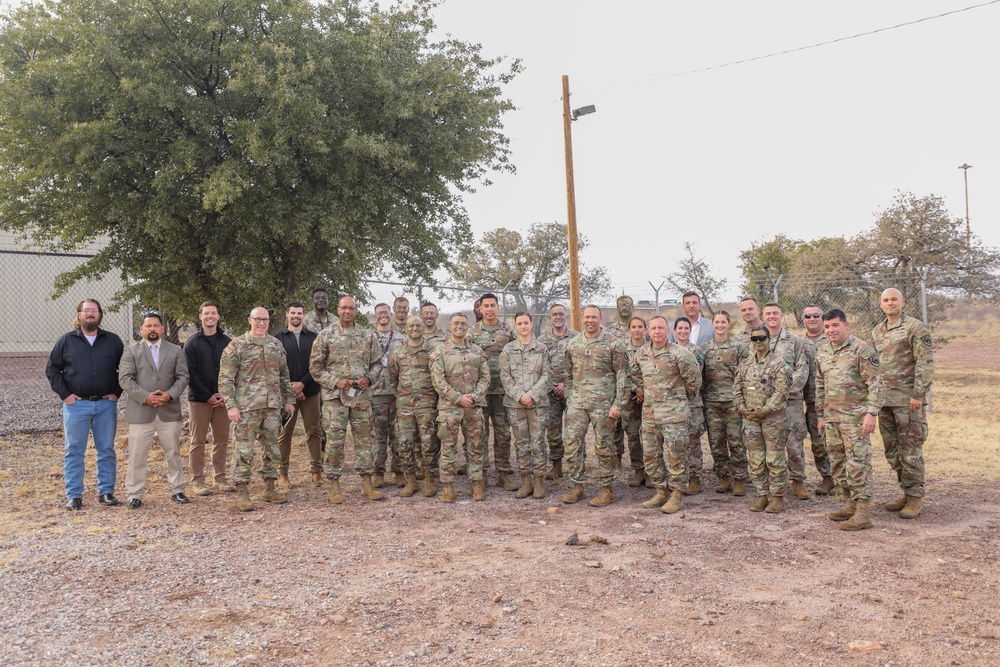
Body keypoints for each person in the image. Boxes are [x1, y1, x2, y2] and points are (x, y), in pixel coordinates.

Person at [46, 299, 125, 510]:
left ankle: (106, 492)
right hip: (76, 406)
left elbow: (126, 370)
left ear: (100, 314)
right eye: (86, 310)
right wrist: (66, 395)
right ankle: (74, 495)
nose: (90, 314)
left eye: (94, 310)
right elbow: (52, 370)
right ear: (79, 314)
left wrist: (117, 392)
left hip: (105, 406)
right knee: (74, 450)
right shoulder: (66, 341)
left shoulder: (113, 341)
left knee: (106, 449)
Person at [218, 307, 296, 512]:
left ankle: (269, 487)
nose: (262, 323)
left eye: (265, 320)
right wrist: (231, 406)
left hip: (271, 407)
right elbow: (225, 379)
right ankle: (243, 491)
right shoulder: (237, 346)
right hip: (246, 408)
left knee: (272, 449)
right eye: (258, 319)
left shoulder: (275, 345)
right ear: (249, 320)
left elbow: (284, 375)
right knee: (244, 451)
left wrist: (288, 400)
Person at [309, 296, 384, 503]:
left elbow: (378, 364)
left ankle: (366, 484)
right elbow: (315, 368)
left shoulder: (367, 336)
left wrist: (368, 378)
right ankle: (334, 485)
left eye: (351, 308)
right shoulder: (325, 335)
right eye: (344, 308)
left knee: (364, 440)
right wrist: (335, 381)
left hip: (361, 397)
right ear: (338, 310)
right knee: (334, 442)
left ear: (356, 311)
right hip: (336, 399)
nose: (347, 311)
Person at [815, 309, 884, 531]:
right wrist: (821, 415)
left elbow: (876, 383)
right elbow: (820, 385)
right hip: (832, 418)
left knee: (858, 464)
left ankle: (863, 512)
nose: (831, 330)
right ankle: (850, 504)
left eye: (835, 325)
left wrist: (872, 413)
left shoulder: (862, 350)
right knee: (838, 463)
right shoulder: (823, 352)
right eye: (827, 327)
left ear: (847, 325)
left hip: (856, 419)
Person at [872, 287, 934, 519]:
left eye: (894, 299)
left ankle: (916, 497)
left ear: (903, 302)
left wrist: (918, 394)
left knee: (910, 450)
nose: (890, 303)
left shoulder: (915, 328)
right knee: (892, 451)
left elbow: (925, 363)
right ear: (881, 305)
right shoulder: (877, 330)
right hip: (885, 401)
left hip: (908, 401)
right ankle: (906, 492)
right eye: (886, 300)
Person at [630, 316, 702, 514]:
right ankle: (661, 491)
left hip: (674, 416)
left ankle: (677, 494)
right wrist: (640, 390)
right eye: (652, 328)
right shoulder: (641, 353)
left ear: (667, 330)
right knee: (651, 455)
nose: (656, 332)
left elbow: (694, 381)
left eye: (660, 328)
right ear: (648, 331)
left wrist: (677, 399)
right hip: (650, 415)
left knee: (675, 456)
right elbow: (635, 375)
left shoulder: (681, 354)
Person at [119, 312, 190, 508]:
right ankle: (135, 493)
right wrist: (146, 397)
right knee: (137, 455)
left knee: (173, 453)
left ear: (162, 329)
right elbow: (125, 379)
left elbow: (183, 377)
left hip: (168, 410)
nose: (152, 329)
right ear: (141, 329)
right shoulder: (131, 350)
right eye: (148, 326)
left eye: (156, 326)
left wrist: (169, 395)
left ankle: (177, 490)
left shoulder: (175, 350)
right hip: (141, 411)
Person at [562, 304, 629, 507]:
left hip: (604, 406)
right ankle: (577, 486)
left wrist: (618, 404)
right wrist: (570, 398)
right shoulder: (573, 345)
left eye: (594, 317)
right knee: (572, 445)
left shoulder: (613, 344)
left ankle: (606, 489)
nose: (590, 320)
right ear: (582, 318)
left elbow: (623, 376)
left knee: (604, 447)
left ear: (601, 319)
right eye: (587, 317)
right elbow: (568, 375)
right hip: (578, 404)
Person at [430, 312, 490, 502]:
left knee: (476, 446)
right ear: (449, 326)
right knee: (448, 447)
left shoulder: (477, 351)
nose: (459, 326)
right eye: (456, 323)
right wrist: (457, 398)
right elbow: (437, 380)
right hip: (449, 408)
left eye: (463, 323)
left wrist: (473, 396)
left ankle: (477, 484)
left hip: (473, 405)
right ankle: (448, 486)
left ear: (468, 326)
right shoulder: (440, 351)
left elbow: (485, 377)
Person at [733, 325, 791, 513]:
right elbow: (736, 388)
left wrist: (764, 410)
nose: (758, 342)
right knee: (756, 460)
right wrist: (742, 409)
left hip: (773, 420)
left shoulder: (779, 363)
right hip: (750, 420)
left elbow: (781, 392)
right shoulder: (745, 364)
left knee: (774, 459)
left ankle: (777, 497)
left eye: (762, 338)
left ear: (769, 340)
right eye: (754, 339)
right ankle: (762, 495)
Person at [499, 312, 551, 499]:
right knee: (521, 444)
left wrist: (532, 395)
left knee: (537, 443)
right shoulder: (508, 349)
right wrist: (521, 395)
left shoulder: (541, 349)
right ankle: (526, 481)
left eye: (526, 323)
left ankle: (538, 482)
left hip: (537, 404)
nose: (523, 326)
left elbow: (547, 375)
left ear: (531, 324)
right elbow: (505, 376)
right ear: (515, 326)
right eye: (519, 323)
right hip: (516, 404)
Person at [468, 293, 518, 490]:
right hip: (479, 392)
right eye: (485, 306)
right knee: (479, 434)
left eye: (492, 305)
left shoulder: (508, 331)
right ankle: (482, 474)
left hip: (502, 391)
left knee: (503, 433)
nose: (489, 309)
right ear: (480, 309)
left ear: (498, 307)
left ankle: (503, 473)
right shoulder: (472, 333)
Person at [762, 302, 810, 500]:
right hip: (765, 404)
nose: (772, 316)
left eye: (775, 313)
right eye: (768, 314)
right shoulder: (757, 339)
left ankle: (798, 482)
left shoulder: (795, 341)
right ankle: (773, 485)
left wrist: (782, 392)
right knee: (769, 447)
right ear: (763, 317)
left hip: (790, 402)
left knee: (794, 445)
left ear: (782, 316)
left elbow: (802, 369)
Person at [184, 301, 234, 496]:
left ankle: (220, 477)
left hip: (223, 400)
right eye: (206, 314)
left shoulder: (228, 342)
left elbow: (232, 370)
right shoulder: (192, 343)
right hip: (199, 400)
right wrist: (207, 396)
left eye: (213, 313)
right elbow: (190, 373)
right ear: (201, 317)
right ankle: (197, 480)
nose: (210, 316)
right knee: (197, 441)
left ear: (218, 316)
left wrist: (223, 394)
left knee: (221, 440)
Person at [388, 316, 440, 497]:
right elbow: (393, 379)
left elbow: (439, 378)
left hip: (427, 406)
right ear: (405, 329)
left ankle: (429, 480)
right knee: (405, 444)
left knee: (429, 443)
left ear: (423, 327)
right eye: (411, 326)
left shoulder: (433, 352)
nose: (415, 328)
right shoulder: (398, 354)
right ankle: (411, 480)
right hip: (405, 406)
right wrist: (403, 397)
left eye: (418, 325)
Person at [274, 302, 323, 489]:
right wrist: (292, 388)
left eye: (299, 313)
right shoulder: (277, 339)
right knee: (285, 433)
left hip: (311, 391)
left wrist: (302, 384)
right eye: (293, 312)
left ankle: (316, 471)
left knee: (314, 431)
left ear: (304, 315)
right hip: (287, 395)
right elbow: (277, 368)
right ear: (287, 314)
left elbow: (318, 364)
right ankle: (283, 473)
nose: (296, 316)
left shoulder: (313, 338)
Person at [700, 311, 749, 496]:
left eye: (723, 322)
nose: (720, 325)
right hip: (712, 403)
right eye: (717, 322)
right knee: (716, 443)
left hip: (733, 402)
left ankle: (739, 480)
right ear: (712, 324)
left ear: (729, 324)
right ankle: (724, 477)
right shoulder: (704, 349)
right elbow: (700, 376)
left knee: (736, 441)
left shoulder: (738, 347)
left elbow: (745, 374)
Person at [537, 303, 580, 481]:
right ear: (549, 318)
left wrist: (565, 384)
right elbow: (539, 367)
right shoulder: (542, 340)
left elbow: (581, 366)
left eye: (561, 314)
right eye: (554, 314)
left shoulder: (577, 338)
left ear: (567, 316)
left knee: (575, 432)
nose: (558, 317)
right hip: (551, 393)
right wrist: (553, 385)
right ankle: (556, 466)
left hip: (573, 391)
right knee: (553, 431)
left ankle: (577, 467)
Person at [801, 304, 835, 495]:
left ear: (823, 318)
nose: (812, 318)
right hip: (810, 400)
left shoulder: (831, 337)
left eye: (816, 315)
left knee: (836, 442)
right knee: (818, 442)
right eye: (808, 316)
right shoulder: (798, 342)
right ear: (803, 319)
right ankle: (827, 478)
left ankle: (843, 479)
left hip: (832, 400)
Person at [371, 303, 405, 488]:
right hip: (375, 393)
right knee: (378, 436)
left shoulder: (401, 338)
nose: (383, 316)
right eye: (379, 313)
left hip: (396, 394)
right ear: (375, 316)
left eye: (386, 313)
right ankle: (378, 472)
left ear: (391, 315)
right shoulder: (368, 338)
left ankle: (399, 471)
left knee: (398, 435)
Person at [673, 317, 707, 495]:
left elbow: (695, 376)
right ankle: (681, 476)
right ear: (674, 331)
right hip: (675, 405)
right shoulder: (669, 350)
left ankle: (695, 478)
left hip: (692, 403)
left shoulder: (696, 351)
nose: (683, 331)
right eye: (680, 328)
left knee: (693, 441)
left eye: (687, 328)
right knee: (678, 441)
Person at [621, 316, 648, 487]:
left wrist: (645, 391)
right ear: (629, 329)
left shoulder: (651, 347)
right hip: (630, 399)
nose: (637, 329)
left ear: (645, 328)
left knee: (651, 437)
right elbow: (621, 373)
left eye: (640, 326)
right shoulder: (623, 349)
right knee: (633, 436)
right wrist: (635, 388)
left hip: (650, 398)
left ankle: (652, 473)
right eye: (634, 327)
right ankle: (638, 470)